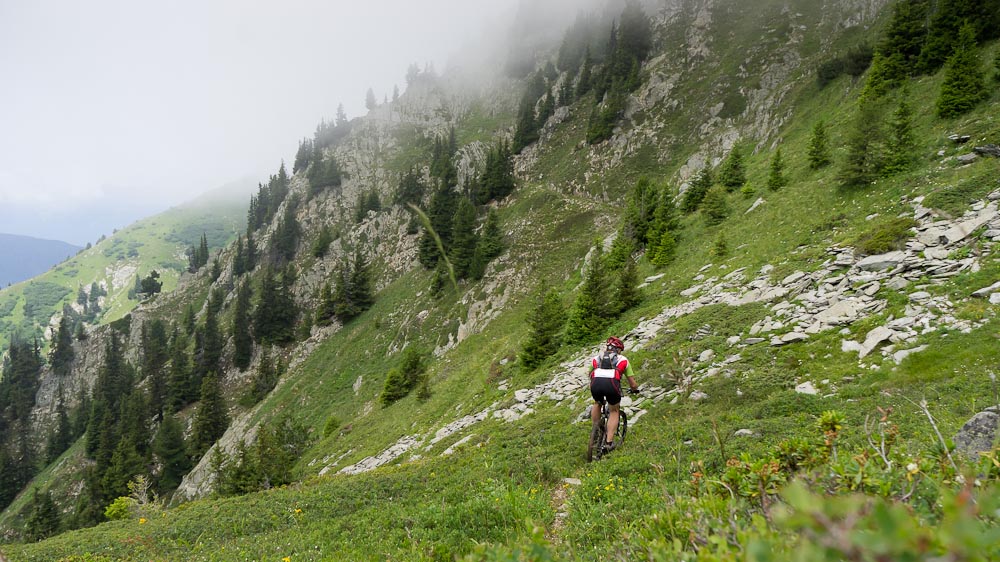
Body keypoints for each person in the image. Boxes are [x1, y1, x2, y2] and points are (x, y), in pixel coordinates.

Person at [589, 336, 638, 452]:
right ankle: (608, 443)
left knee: (597, 403)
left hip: (595, 384)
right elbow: (632, 383)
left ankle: (595, 430)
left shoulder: (596, 358)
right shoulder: (623, 360)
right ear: (619, 350)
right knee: (614, 411)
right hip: (611, 385)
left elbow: (589, 373)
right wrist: (635, 389)